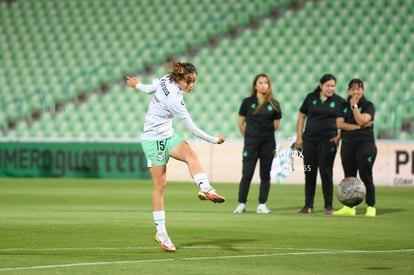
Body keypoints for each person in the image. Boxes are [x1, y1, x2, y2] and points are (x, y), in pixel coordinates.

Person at [126, 61, 226, 252]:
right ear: (179, 78)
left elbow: (149, 89)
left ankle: (205, 188)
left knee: (190, 154)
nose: (191, 86)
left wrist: (137, 85)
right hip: (152, 139)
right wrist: (214, 140)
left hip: (168, 135)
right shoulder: (174, 99)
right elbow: (192, 128)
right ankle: (161, 233)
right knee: (160, 185)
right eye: (189, 81)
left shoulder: (165, 80)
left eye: (194, 82)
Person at [295, 74, 346, 215]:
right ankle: (308, 205)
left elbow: (346, 121)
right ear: (321, 85)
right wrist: (299, 137)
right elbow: (301, 116)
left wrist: (339, 136)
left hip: (328, 141)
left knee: (326, 172)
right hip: (310, 140)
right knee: (309, 172)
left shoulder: (339, 101)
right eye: (328, 85)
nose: (331, 88)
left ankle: (328, 206)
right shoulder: (311, 98)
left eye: (333, 86)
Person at [234, 74, 282, 214]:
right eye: (260, 82)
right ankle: (241, 203)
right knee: (247, 173)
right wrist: (249, 136)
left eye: (266, 83)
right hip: (251, 143)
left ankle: (262, 204)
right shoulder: (247, 102)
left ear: (269, 85)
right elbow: (240, 122)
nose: (263, 85)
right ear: (255, 85)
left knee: (265, 174)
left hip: (268, 143)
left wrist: (263, 134)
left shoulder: (274, 104)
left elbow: (276, 126)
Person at [334, 78, 377, 217]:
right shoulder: (343, 105)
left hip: (365, 144)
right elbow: (340, 124)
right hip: (348, 144)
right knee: (349, 177)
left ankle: (371, 206)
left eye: (358, 89)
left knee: (366, 174)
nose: (356, 92)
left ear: (363, 90)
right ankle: (349, 207)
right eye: (353, 89)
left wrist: (354, 107)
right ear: (349, 91)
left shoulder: (368, 105)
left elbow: (362, 119)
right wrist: (359, 127)